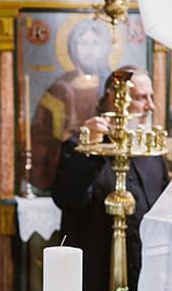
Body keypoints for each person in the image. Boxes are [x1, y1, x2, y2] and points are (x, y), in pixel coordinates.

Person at [52, 67, 167, 291]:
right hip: (96, 283)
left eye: (151, 97)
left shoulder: (149, 152)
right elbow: (67, 198)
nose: (151, 106)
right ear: (117, 98)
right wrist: (91, 146)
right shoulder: (81, 145)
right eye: (141, 98)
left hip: (145, 284)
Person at [30, 17, 113, 191]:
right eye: (83, 44)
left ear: (104, 48)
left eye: (95, 44)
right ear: (73, 49)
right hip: (69, 168)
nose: (89, 50)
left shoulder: (110, 87)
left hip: (107, 171)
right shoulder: (59, 89)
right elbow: (40, 132)